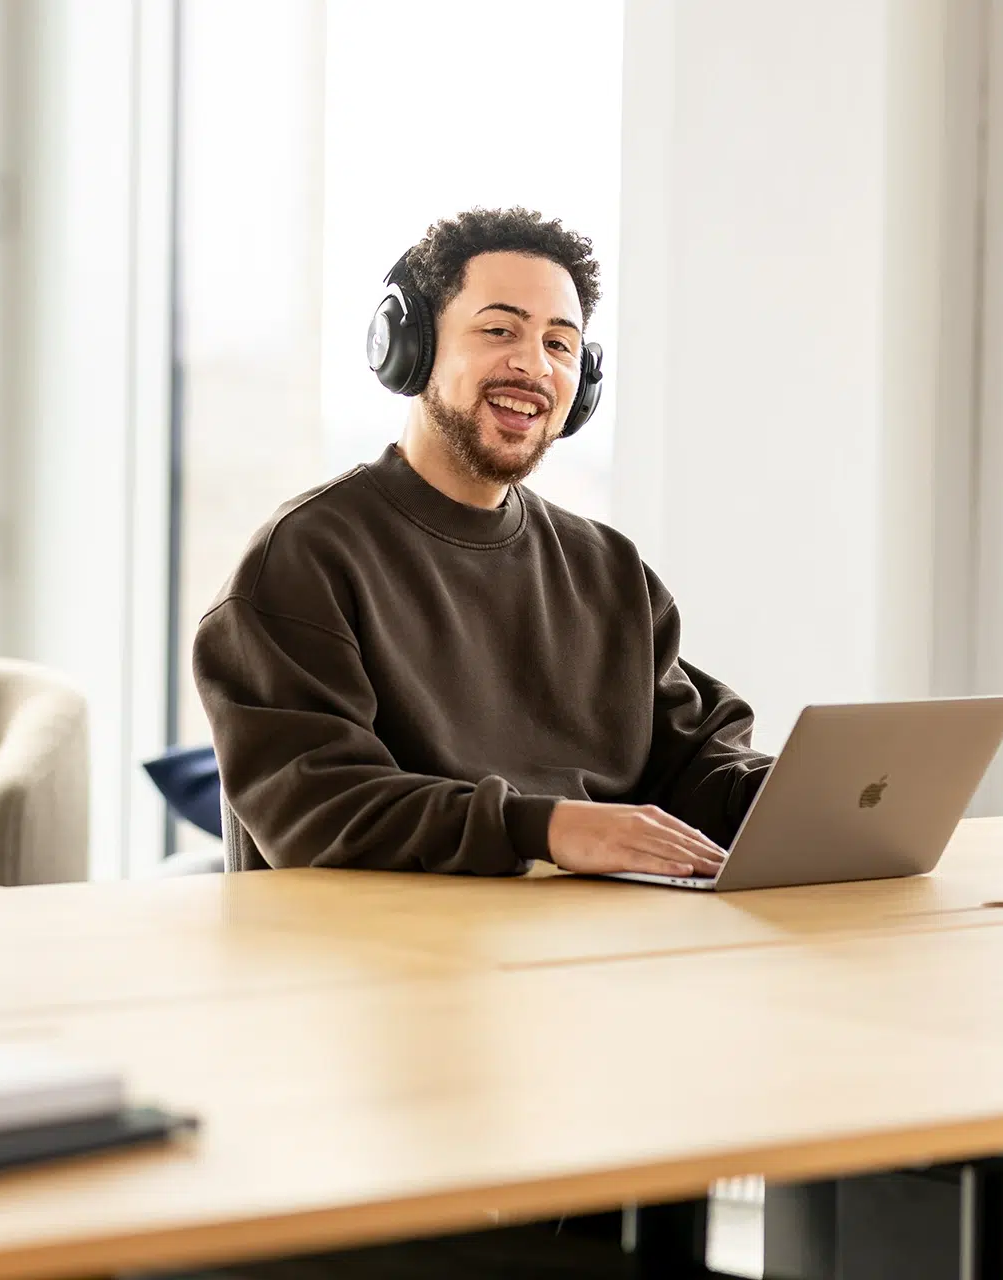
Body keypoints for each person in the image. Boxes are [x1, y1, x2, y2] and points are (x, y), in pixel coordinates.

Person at [193, 207, 773, 887]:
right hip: (372, 967)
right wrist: (548, 828)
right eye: (500, 330)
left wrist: (800, 801)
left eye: (560, 344)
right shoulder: (306, 557)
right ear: (411, 347)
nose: (534, 365)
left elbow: (697, 760)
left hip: (585, 957)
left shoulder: (608, 571)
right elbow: (317, 807)